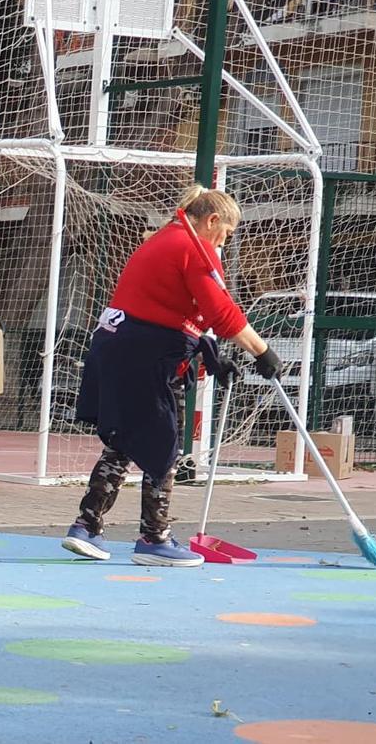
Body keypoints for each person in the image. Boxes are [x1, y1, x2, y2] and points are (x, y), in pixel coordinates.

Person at [62, 185, 282, 567]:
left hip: (117, 345)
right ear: (212, 220)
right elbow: (222, 312)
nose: (225, 242)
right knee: (165, 443)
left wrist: (210, 355)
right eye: (226, 233)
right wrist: (263, 351)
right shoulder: (192, 248)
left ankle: (86, 526)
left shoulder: (165, 238)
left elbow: (176, 308)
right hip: (146, 356)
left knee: (125, 440)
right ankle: (154, 538)